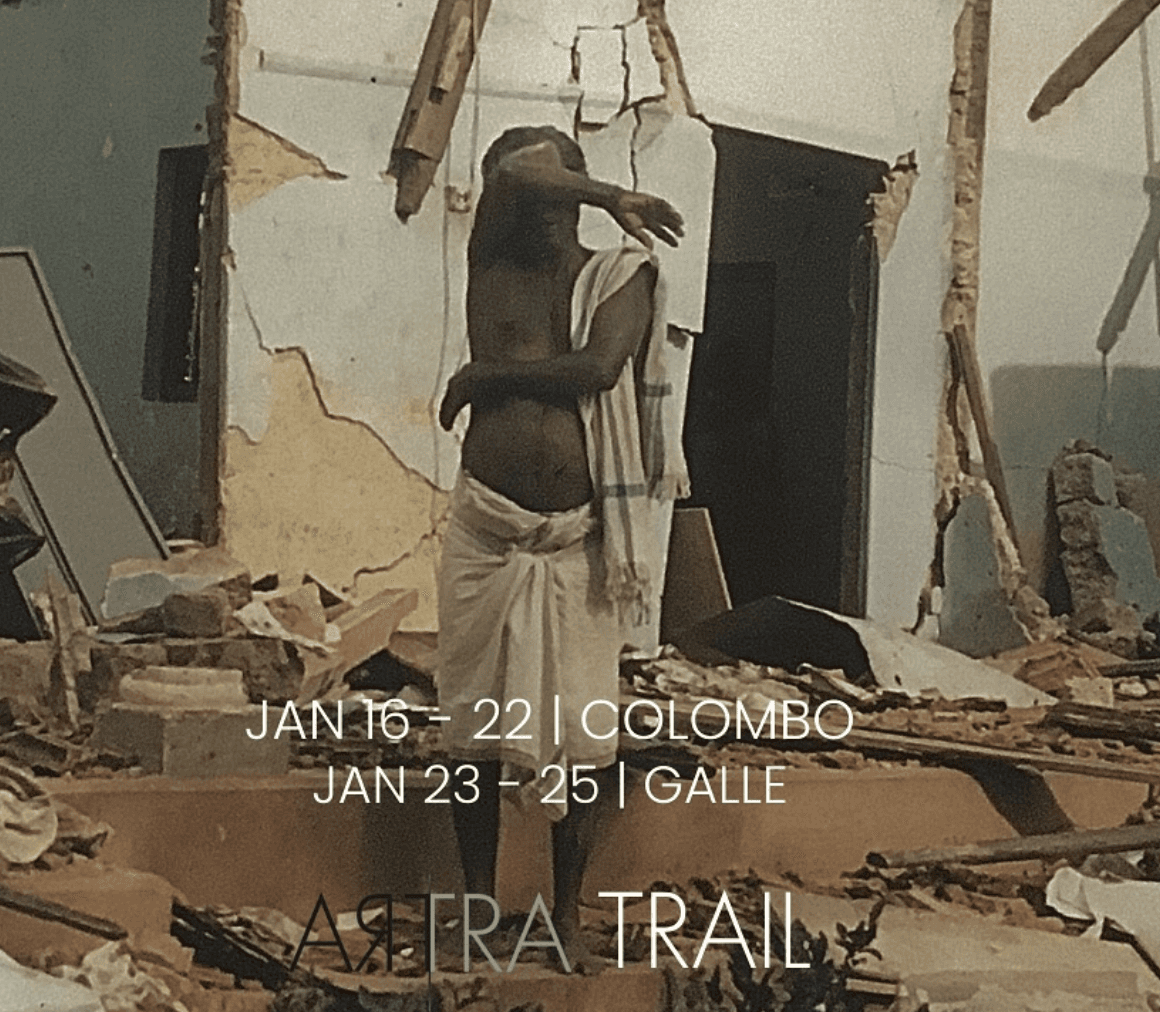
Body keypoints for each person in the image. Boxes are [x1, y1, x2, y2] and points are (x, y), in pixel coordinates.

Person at [436, 124, 685, 973]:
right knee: (471, 732)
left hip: (578, 543)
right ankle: (476, 912)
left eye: (563, 189)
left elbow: (596, 369)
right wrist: (606, 192)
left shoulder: (620, 275)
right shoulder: (489, 268)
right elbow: (513, 168)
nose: (545, 208)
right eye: (535, 194)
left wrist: (481, 379)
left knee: (583, 734)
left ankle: (565, 917)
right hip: (484, 533)